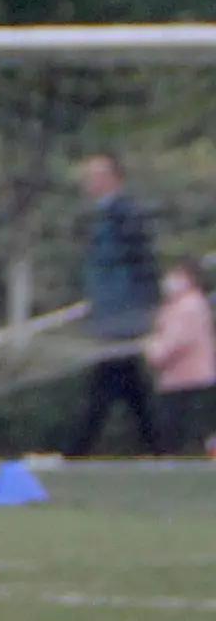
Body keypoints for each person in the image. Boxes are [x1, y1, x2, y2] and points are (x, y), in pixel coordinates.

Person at [76, 154, 165, 456]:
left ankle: (77, 450)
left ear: (114, 178)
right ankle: (159, 447)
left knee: (107, 384)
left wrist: (148, 307)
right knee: (129, 386)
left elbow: (143, 263)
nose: (89, 182)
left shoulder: (125, 214)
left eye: (96, 175)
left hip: (122, 315)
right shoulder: (103, 216)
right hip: (110, 314)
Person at [151, 263, 214, 454]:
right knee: (186, 423)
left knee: (179, 423)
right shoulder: (179, 305)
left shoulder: (189, 306)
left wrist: (154, 352)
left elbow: (177, 340)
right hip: (184, 376)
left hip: (187, 376)